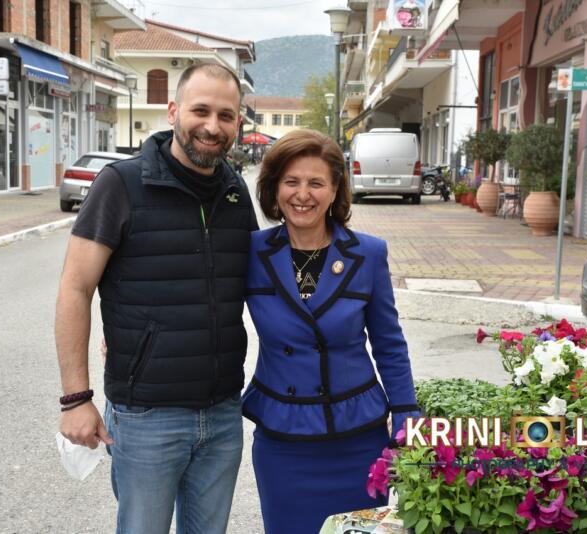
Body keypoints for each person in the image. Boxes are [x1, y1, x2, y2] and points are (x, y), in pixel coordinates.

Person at [55, 63, 258, 534]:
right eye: (200, 111)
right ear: (173, 112)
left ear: (237, 122)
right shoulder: (121, 184)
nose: (212, 126)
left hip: (223, 412)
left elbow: (253, 283)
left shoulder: (234, 190)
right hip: (147, 417)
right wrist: (75, 398)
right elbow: (74, 288)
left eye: (226, 115)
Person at [242, 129, 420, 533]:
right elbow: (208, 311)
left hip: (357, 438)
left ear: (335, 188)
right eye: (291, 181)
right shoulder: (252, 251)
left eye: (316, 183)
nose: (303, 194)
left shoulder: (368, 253)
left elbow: (389, 344)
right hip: (283, 440)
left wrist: (406, 413)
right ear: (274, 188)